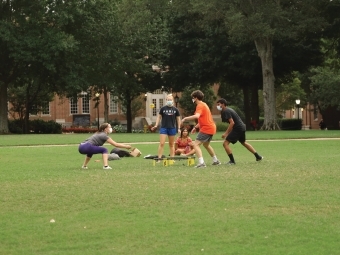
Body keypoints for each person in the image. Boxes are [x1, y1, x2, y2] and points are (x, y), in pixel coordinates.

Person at [216, 98, 263, 165]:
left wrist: (226, 133)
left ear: (223, 104)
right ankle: (258, 156)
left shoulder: (226, 111)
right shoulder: (228, 110)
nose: (217, 106)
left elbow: (232, 123)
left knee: (225, 144)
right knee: (243, 142)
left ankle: (232, 161)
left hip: (238, 128)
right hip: (242, 127)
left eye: (218, 104)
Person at [181, 90, 220, 168]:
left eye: (193, 98)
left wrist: (185, 118)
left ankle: (201, 163)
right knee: (206, 145)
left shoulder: (200, 105)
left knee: (195, 144)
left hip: (207, 128)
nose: (192, 99)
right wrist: (196, 127)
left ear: (195, 98)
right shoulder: (204, 104)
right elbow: (203, 119)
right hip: (211, 127)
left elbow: (197, 116)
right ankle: (216, 161)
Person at [151, 94, 181, 160]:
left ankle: (172, 159)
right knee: (161, 143)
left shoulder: (175, 109)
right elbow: (159, 117)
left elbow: (178, 119)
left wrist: (179, 128)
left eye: (170, 100)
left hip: (172, 128)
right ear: (166, 100)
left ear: (172, 100)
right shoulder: (163, 108)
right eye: (168, 100)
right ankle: (159, 158)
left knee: (171, 144)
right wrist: (156, 125)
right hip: (164, 128)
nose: (169, 101)